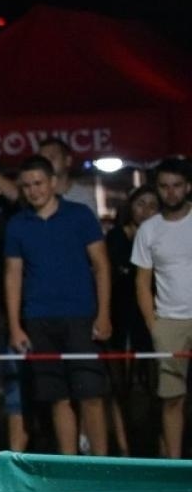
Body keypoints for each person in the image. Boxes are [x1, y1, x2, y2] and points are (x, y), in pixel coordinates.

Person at [4, 155, 111, 456]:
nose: (33, 190)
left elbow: (101, 265)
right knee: (57, 397)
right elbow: (12, 275)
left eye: (38, 183)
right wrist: (15, 326)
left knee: (91, 394)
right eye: (26, 186)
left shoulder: (80, 215)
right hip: (38, 319)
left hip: (80, 315)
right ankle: (69, 464)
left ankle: (103, 465)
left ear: (53, 182)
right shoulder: (17, 224)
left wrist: (104, 313)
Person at [134, 157, 192, 458]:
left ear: (188, 187)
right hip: (168, 321)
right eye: (164, 187)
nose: (170, 192)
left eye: (177, 186)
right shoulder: (149, 229)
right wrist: (153, 324)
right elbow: (142, 281)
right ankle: (175, 465)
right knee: (171, 399)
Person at [102, 184, 159, 455]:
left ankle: (157, 446)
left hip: (149, 320)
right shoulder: (115, 239)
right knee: (118, 388)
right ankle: (126, 449)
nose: (146, 210)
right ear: (130, 207)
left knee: (154, 387)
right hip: (118, 320)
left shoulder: (162, 236)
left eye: (152, 204)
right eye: (140, 203)